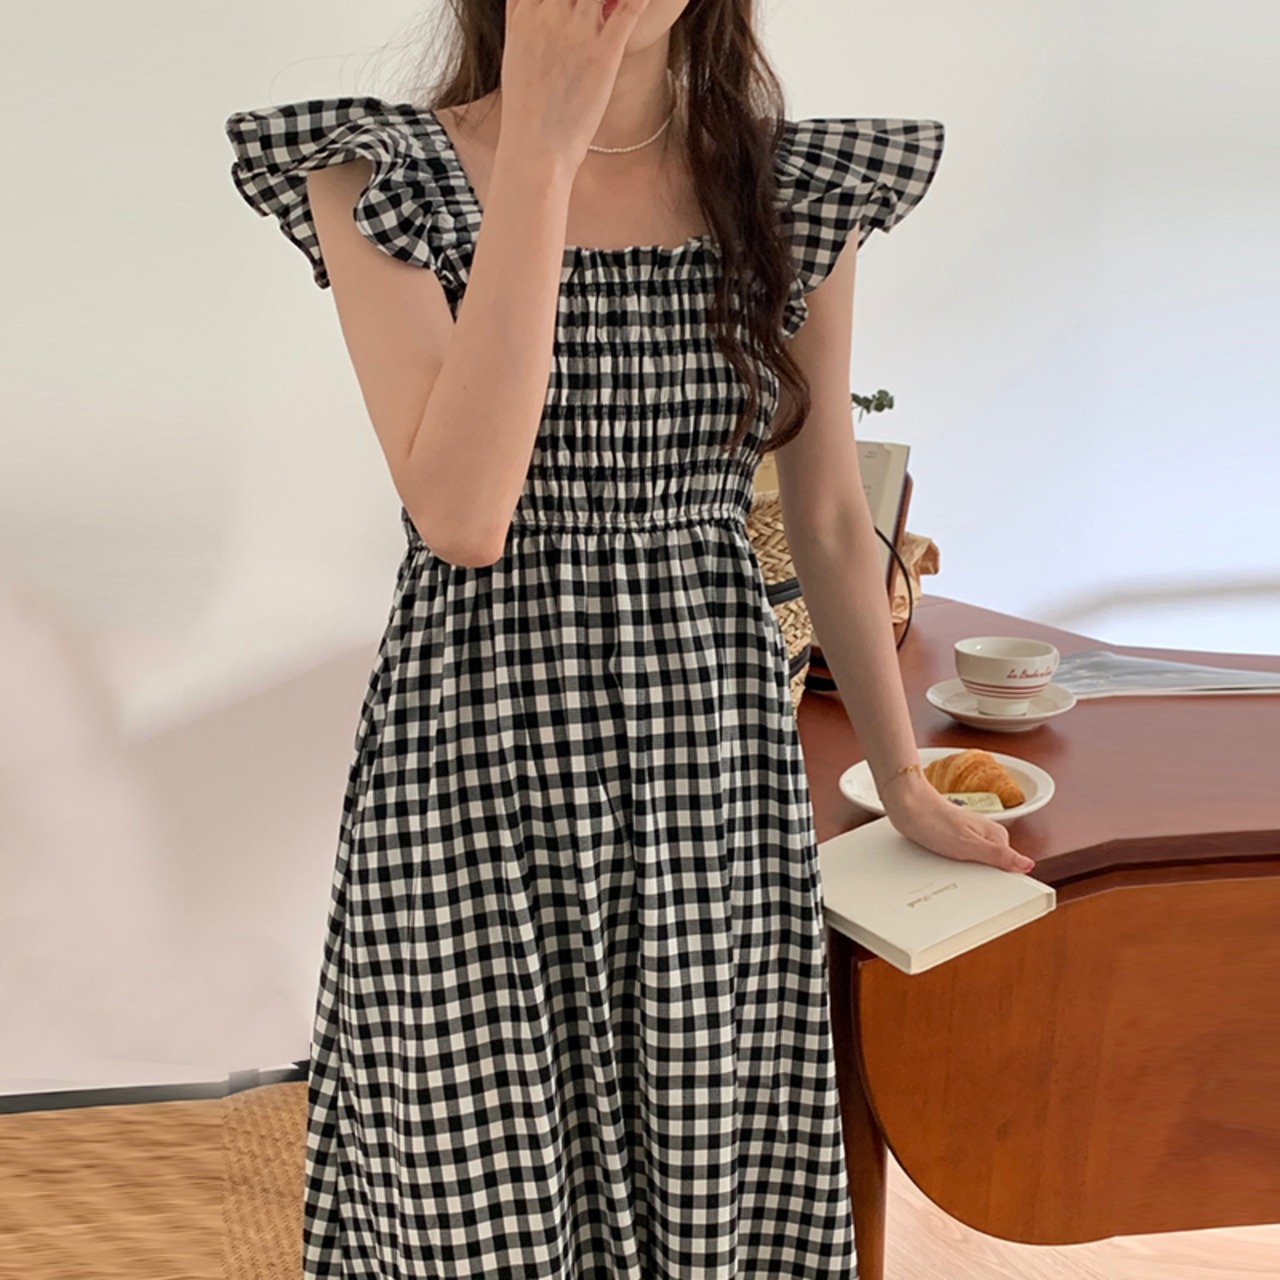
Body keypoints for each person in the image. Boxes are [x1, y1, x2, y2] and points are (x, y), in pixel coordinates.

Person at [225, 0, 1033, 1275]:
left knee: (703, 1170)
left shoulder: (786, 188)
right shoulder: (383, 176)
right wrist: (539, 157)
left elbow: (828, 518)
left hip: (703, 759)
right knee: (468, 1184)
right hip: (473, 763)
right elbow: (464, 514)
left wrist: (903, 779)